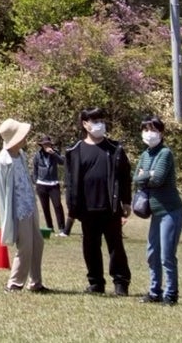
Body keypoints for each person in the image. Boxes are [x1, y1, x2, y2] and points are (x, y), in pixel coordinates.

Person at [63, 106, 132, 296]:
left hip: (110, 206)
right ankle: (95, 283)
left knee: (116, 246)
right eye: (95, 121)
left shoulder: (115, 149)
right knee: (90, 246)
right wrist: (72, 207)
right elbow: (69, 182)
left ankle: (121, 283)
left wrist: (126, 201)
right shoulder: (74, 150)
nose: (100, 125)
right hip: (87, 208)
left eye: (101, 120)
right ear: (85, 124)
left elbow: (125, 177)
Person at [133, 116, 182, 305]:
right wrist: (148, 175)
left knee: (167, 255)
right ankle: (155, 291)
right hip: (155, 212)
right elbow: (135, 179)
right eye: (145, 129)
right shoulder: (145, 154)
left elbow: (159, 179)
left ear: (161, 133)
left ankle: (171, 295)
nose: (149, 134)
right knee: (152, 253)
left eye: (153, 130)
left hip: (170, 210)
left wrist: (145, 176)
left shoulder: (165, 153)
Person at [0, 118, 47, 293]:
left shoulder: (21, 155)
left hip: (29, 204)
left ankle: (36, 282)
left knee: (37, 243)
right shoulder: (2, 161)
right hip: (17, 209)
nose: (25, 139)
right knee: (25, 246)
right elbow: (1, 192)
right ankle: (14, 283)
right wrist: (7, 215)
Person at [31, 135, 67, 235]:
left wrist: (53, 154)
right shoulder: (37, 155)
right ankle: (49, 227)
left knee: (58, 206)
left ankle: (62, 228)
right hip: (41, 184)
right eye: (44, 144)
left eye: (48, 144)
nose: (47, 146)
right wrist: (35, 181)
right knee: (45, 207)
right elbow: (35, 169)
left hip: (53, 184)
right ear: (41, 145)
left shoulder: (55, 153)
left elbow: (62, 162)